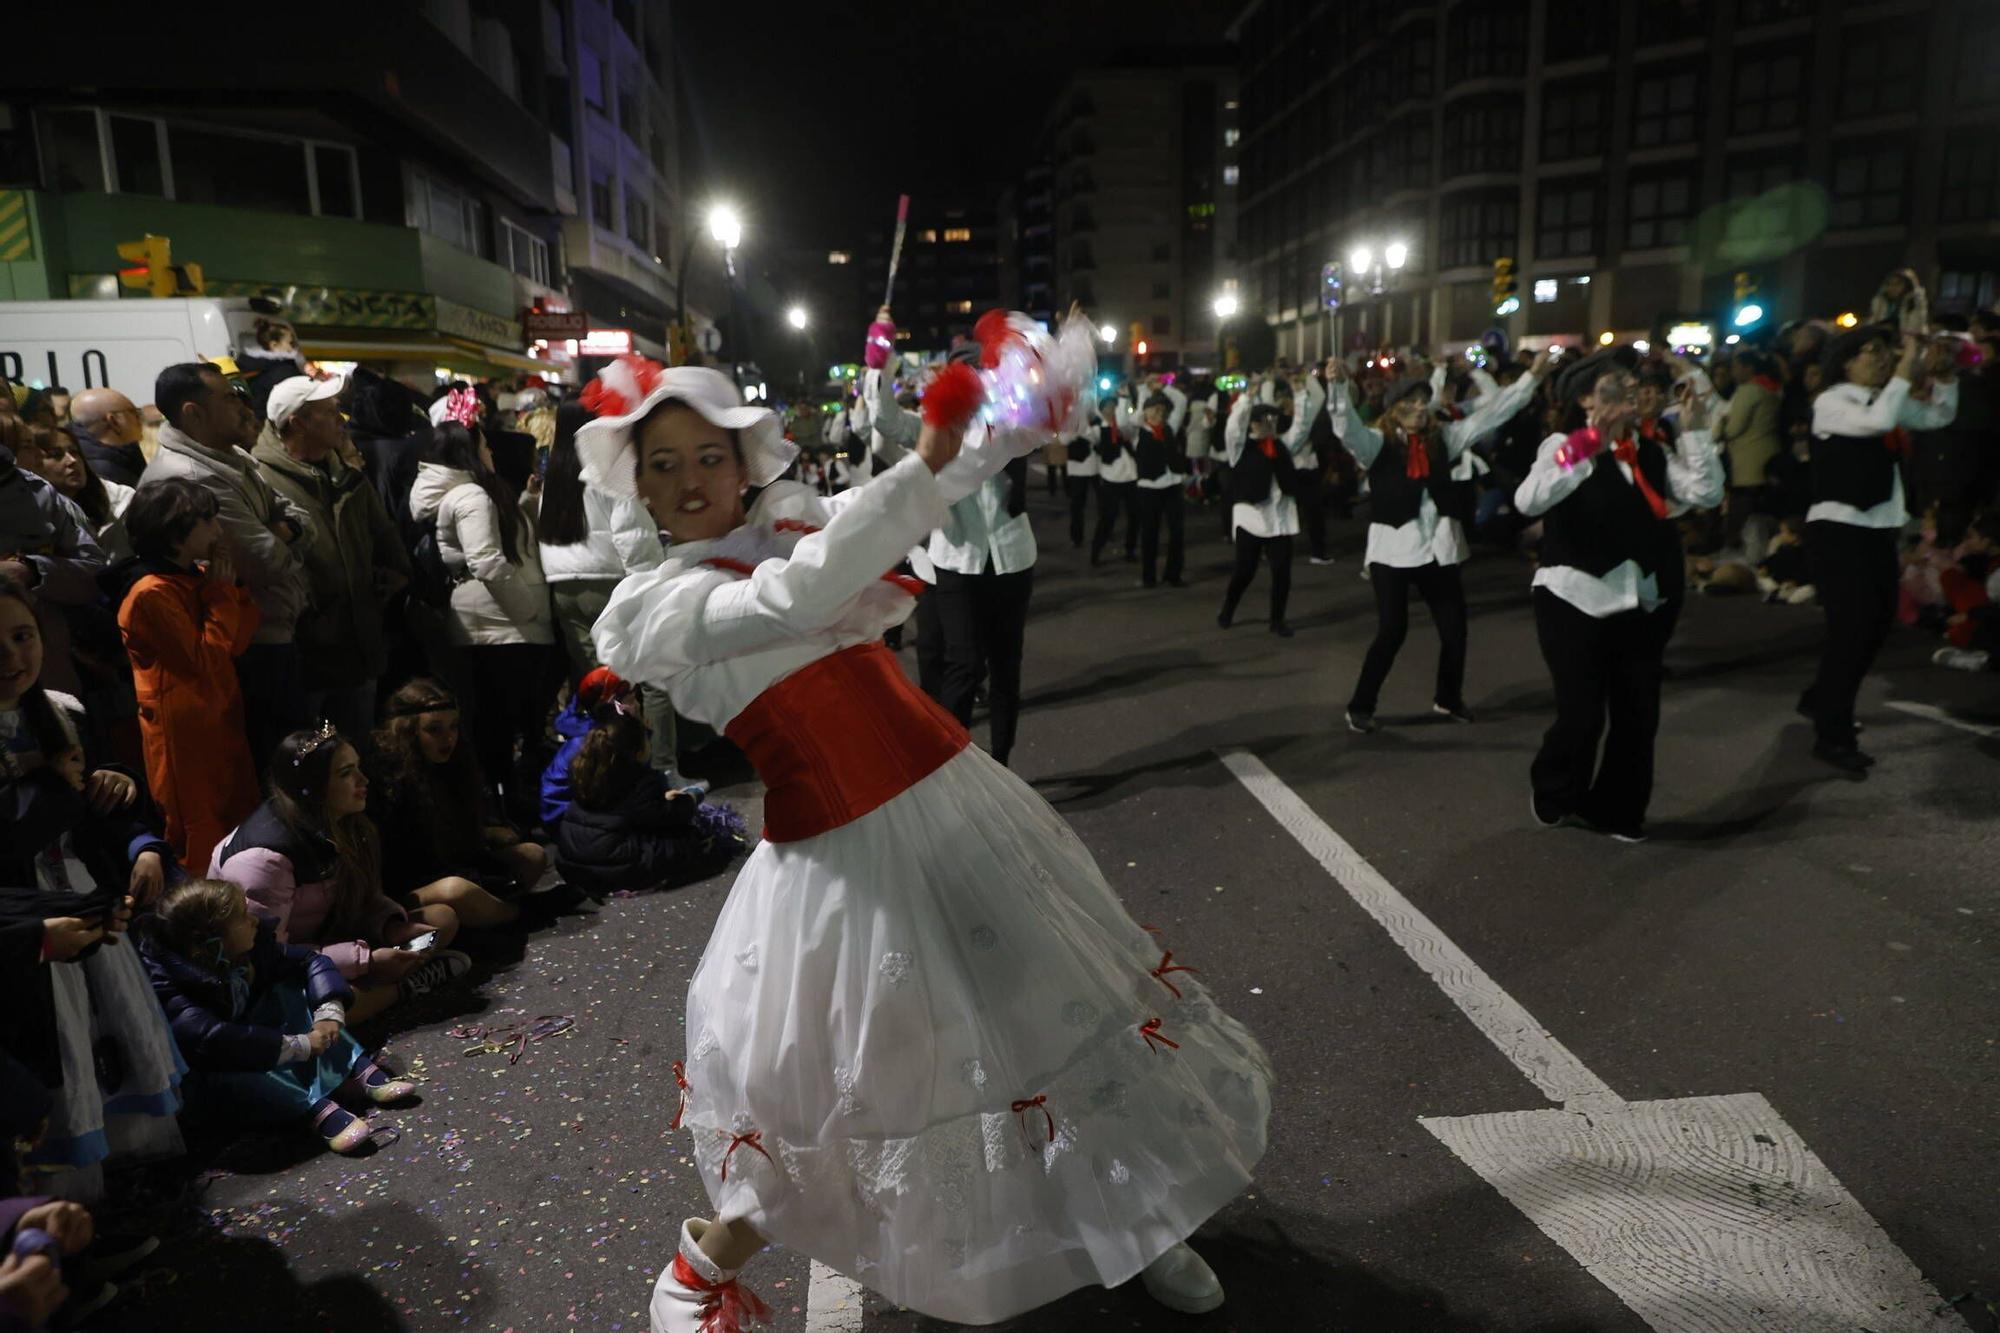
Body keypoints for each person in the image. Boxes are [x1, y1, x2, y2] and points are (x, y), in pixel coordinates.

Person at [575, 348, 1271, 1331]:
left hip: (954, 804)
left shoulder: (795, 521)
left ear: (743, 461)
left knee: (1055, 1008)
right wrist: (920, 468)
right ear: (636, 485)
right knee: (840, 1088)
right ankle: (700, 1264)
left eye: (705, 455)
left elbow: (902, 503)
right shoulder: (658, 608)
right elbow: (795, 599)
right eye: (661, 464)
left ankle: (1141, 1220)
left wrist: (1019, 422)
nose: (688, 480)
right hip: (839, 868)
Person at [0, 578, 183, 1203]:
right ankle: (75, 1210)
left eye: (21, 637)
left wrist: (142, 842)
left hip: (90, 905)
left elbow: (108, 802)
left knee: (117, 1029)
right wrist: (48, 790)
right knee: (63, 1052)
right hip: (29, 933)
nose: (11, 658)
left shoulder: (63, 711)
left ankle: (134, 1172)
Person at [1514, 349, 1724, 841]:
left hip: (1637, 598)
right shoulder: (1564, 444)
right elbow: (1530, 499)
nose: (1632, 392)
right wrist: (1591, 441)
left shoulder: (1650, 450)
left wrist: (1693, 429)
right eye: (1616, 386)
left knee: (1638, 714)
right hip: (1572, 595)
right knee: (1582, 713)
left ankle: (1618, 809)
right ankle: (1556, 788)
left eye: (1633, 386)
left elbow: (1705, 494)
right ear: (1586, 398)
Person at [1332, 350, 1548, 731]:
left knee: (1455, 629)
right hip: (1393, 550)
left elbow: (1492, 415)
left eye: (1421, 402)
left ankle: (1448, 698)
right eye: (1410, 403)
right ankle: (1361, 705)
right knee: (1391, 630)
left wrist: (1531, 378)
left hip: (1439, 547)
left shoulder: (1444, 439)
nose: (1419, 409)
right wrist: (1336, 388)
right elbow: (1345, 427)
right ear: (1395, 409)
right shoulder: (1376, 443)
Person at [210, 726, 471, 1024]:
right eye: (347, 773)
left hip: (326, 939)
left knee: (441, 920)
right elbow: (268, 957)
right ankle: (404, 987)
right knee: (336, 1006)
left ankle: (387, 983)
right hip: (276, 969)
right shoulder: (263, 860)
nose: (364, 780)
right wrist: (365, 962)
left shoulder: (345, 821)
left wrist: (390, 927)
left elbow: (363, 897)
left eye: (358, 768)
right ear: (312, 786)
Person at [140, 878, 415, 1157]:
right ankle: (310, 1106)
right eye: (242, 918)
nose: (255, 922)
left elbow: (310, 961)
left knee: (288, 988)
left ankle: (352, 1066)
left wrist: (328, 1013)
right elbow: (217, 1040)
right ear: (213, 942)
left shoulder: (254, 947)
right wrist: (300, 1045)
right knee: (238, 1072)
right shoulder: (176, 988)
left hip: (264, 1036)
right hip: (224, 1063)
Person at [1799, 325, 1958, 773]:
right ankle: (1832, 734)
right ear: (1845, 362)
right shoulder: (1832, 401)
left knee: (1874, 626)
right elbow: (1880, 423)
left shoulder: (1885, 398)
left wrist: (1944, 378)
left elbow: (1937, 418)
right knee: (1852, 630)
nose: (1882, 360)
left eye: (1885, 353)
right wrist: (1908, 371)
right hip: (1837, 530)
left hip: (1877, 530)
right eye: (1870, 353)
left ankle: (1822, 697)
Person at [141, 363, 312, 772]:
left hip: (271, 629)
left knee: (297, 753)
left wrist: (285, 531)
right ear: (192, 413)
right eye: (229, 397)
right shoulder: (190, 477)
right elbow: (266, 561)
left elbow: (300, 518)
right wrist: (286, 535)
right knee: (279, 764)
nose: (242, 405)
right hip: (247, 645)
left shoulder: (230, 456)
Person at [108, 478, 261, 874]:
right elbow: (205, 658)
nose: (218, 529)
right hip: (184, 734)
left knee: (235, 815)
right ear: (176, 532)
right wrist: (221, 593)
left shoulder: (193, 577)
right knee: (198, 830)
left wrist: (233, 589)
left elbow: (237, 642)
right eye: (207, 520)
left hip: (218, 716)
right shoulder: (150, 592)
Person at [410, 409, 556, 812]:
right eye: (485, 445)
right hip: (495, 627)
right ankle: (505, 807)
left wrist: (526, 501)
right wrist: (526, 610)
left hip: (494, 624)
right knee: (498, 725)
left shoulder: (473, 493)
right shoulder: (471, 496)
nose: (491, 451)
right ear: (469, 451)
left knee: (497, 723)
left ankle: (507, 802)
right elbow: (487, 561)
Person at [251, 374, 411, 742]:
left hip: (359, 644)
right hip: (308, 651)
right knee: (312, 752)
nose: (343, 419)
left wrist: (399, 571)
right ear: (298, 422)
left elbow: (382, 530)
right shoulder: (263, 478)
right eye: (329, 411)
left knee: (356, 747)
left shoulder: (345, 473)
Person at [536, 401, 686, 782]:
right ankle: (661, 770)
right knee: (653, 678)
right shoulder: (605, 471)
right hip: (611, 585)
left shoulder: (552, 477)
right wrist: (649, 585)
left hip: (564, 590)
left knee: (599, 689)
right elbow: (632, 536)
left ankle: (610, 777)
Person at [369, 678, 546, 920]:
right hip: (413, 884)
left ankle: (491, 913)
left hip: (457, 867)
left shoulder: (456, 765)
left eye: (453, 727)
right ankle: (521, 914)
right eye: (435, 729)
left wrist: (487, 836)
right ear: (408, 732)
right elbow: (404, 865)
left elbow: (466, 842)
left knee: (533, 855)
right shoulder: (389, 780)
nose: (448, 737)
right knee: (457, 890)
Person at [553, 701, 746, 898]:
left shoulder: (584, 767)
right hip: (612, 867)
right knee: (686, 841)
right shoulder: (639, 779)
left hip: (571, 860)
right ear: (637, 751)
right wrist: (687, 800)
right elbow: (665, 817)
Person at [0, 428, 107, 698]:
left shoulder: (36, 492)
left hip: (54, 670)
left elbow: (94, 567)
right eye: (27, 446)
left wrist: (33, 570)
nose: (36, 454)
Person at [1216, 376, 1317, 635]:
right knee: (1245, 571)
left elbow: (1302, 427)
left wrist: (1301, 396)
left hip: (1280, 517)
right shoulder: (1240, 448)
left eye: (1272, 420)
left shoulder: (1282, 445)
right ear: (1253, 424)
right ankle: (1228, 607)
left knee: (1282, 572)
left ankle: (1277, 620)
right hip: (1251, 516)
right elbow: (1233, 429)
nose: (1270, 424)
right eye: (1263, 420)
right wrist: (1247, 399)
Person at [16, 426, 132, 563]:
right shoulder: (25, 514)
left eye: (74, 452)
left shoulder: (119, 499)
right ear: (34, 461)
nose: (72, 460)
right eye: (55, 455)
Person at [1118, 382, 1190, 587]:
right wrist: (1126, 397)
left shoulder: (1169, 428)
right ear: (1146, 412)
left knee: (1177, 532)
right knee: (1150, 533)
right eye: (1155, 409)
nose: (1160, 413)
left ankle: (1173, 574)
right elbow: (1123, 422)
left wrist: (1165, 387)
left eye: (1162, 409)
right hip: (1150, 487)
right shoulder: (1137, 433)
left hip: (1173, 484)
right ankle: (1148, 576)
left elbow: (1181, 402)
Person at [1086, 396, 1137, 566]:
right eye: (1108, 407)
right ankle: (1095, 552)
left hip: (1131, 476)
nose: (1112, 410)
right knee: (1108, 518)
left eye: (1114, 407)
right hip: (1112, 478)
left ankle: (1130, 549)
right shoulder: (1097, 429)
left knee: (1135, 516)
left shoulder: (1124, 427)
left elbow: (1131, 424)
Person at [65, 390, 149, 490]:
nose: (140, 419)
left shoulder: (118, 456)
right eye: (134, 412)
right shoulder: (104, 473)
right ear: (113, 421)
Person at [1867, 267, 1930, 338]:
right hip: (1883, 341)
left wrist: (1894, 330)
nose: (1892, 287)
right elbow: (1873, 322)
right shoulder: (1880, 301)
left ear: (1907, 285)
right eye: (1889, 284)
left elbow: (1914, 327)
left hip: (1909, 342)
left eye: (1897, 284)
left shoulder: (1915, 302)